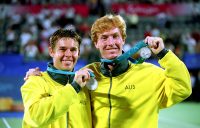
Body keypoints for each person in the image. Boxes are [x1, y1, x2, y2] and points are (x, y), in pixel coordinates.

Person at [25, 14, 192, 128]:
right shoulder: (88, 73)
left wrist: (164, 54)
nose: (110, 42)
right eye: (104, 38)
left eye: (115, 36)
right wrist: (39, 77)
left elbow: (183, 88)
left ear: (123, 39)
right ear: (96, 43)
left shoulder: (149, 74)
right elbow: (64, 81)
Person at [21, 29, 92, 128]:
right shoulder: (35, 81)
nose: (68, 54)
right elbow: (36, 117)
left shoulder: (86, 85)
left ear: (78, 53)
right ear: (51, 51)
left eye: (73, 50)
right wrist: (74, 87)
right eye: (62, 49)